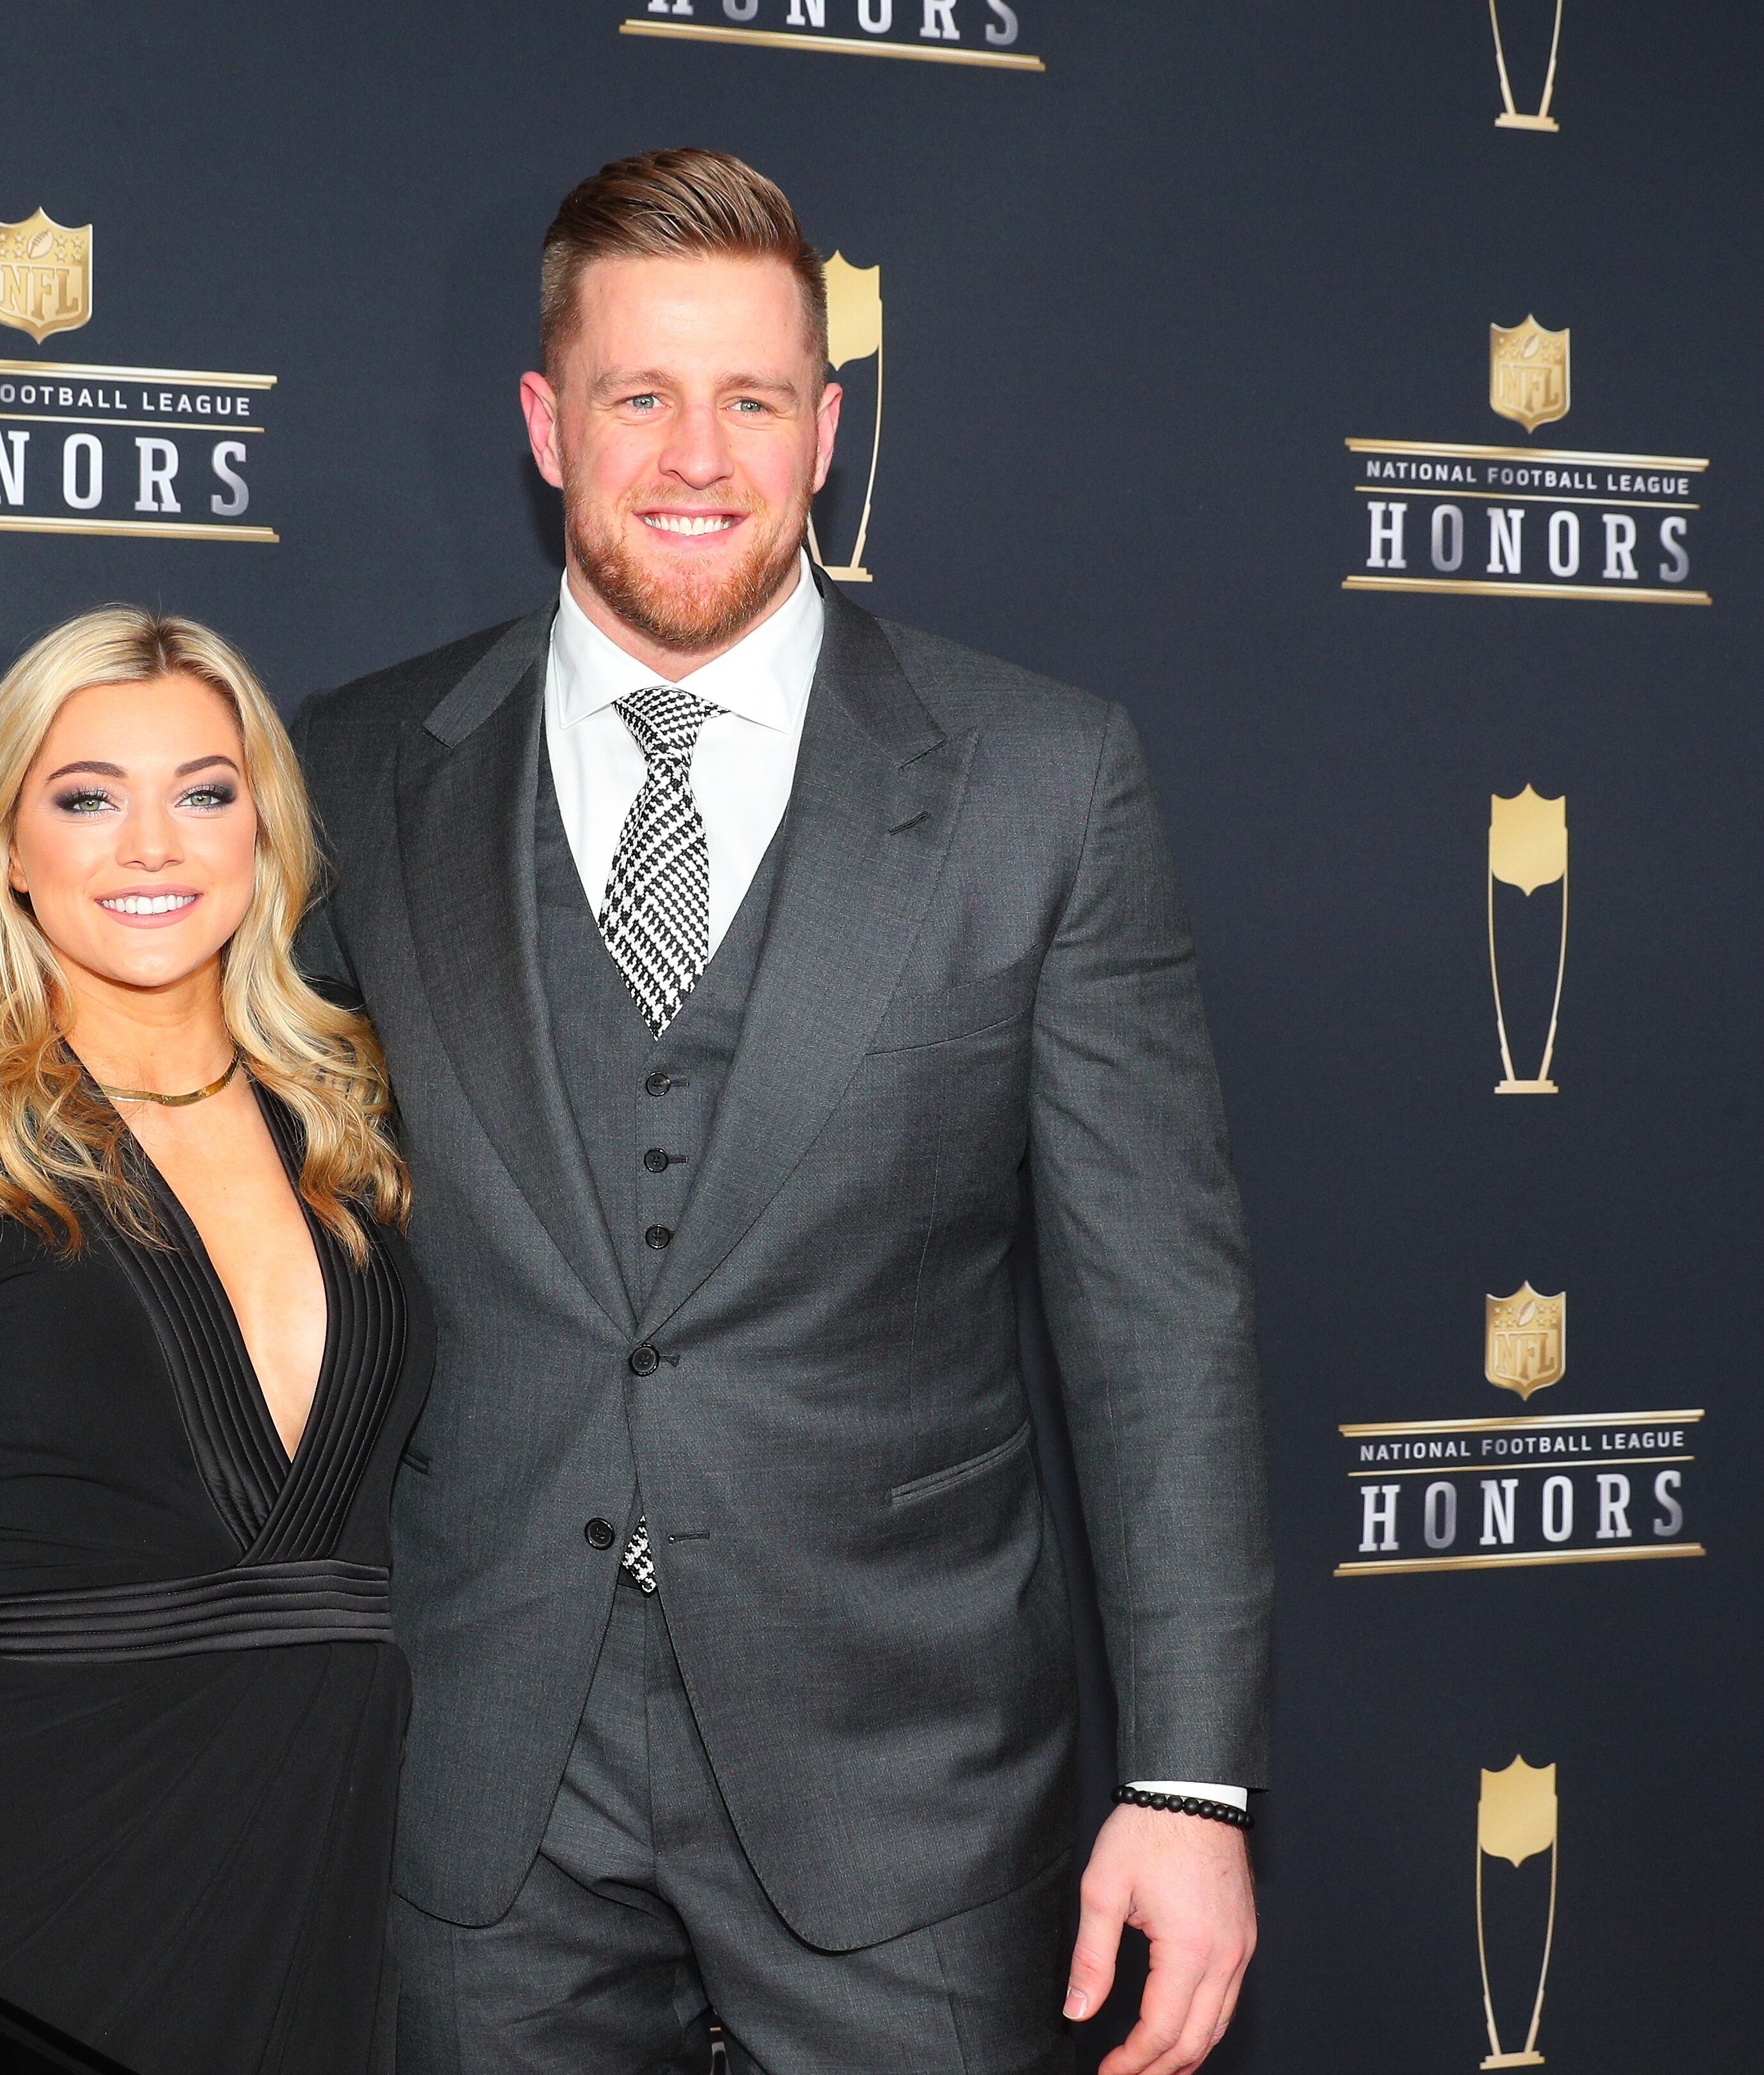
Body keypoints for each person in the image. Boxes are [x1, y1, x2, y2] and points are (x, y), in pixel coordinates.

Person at [289, 151, 1271, 2075]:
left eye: (749, 397)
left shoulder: (1040, 781)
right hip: (476, 1787)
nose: (693, 454)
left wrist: (1193, 1789)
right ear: (542, 425)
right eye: (636, 394)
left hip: (907, 1795)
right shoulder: (348, 772)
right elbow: (225, 1264)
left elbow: (1160, 1321)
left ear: (823, 431)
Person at [0, 607, 427, 2075]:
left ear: (265, 832)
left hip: (328, 1895)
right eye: (88, 798)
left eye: (205, 792)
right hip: (27, 1904)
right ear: (10, 847)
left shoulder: (361, 1118)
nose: (154, 847)